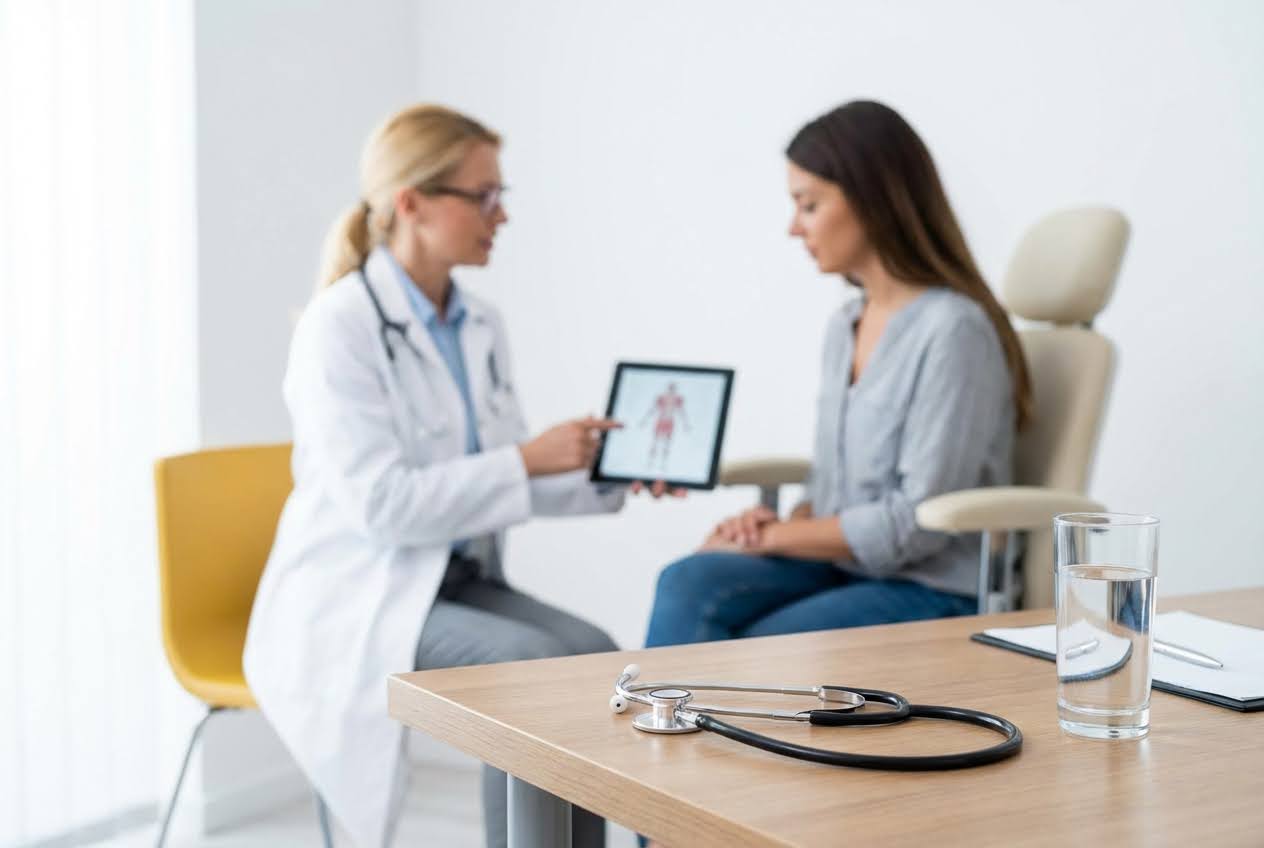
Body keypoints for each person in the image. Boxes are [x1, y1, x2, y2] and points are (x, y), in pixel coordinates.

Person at [244, 104, 669, 848]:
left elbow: (501, 478)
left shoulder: (477, 324)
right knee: (531, 668)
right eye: (484, 195)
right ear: (412, 203)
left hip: (457, 577)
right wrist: (527, 458)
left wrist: (609, 474)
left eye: (501, 195)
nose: (499, 215)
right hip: (364, 589)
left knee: (602, 655)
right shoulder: (336, 328)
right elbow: (384, 506)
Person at [644, 100, 1034, 649]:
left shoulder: (954, 332)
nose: (793, 227)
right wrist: (763, 528)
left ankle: (672, 729)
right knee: (686, 582)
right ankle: (658, 729)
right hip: (849, 567)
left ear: (871, 199)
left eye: (808, 205)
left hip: (932, 588)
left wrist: (779, 536)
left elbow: (915, 524)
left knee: (764, 648)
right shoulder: (845, 323)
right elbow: (831, 489)